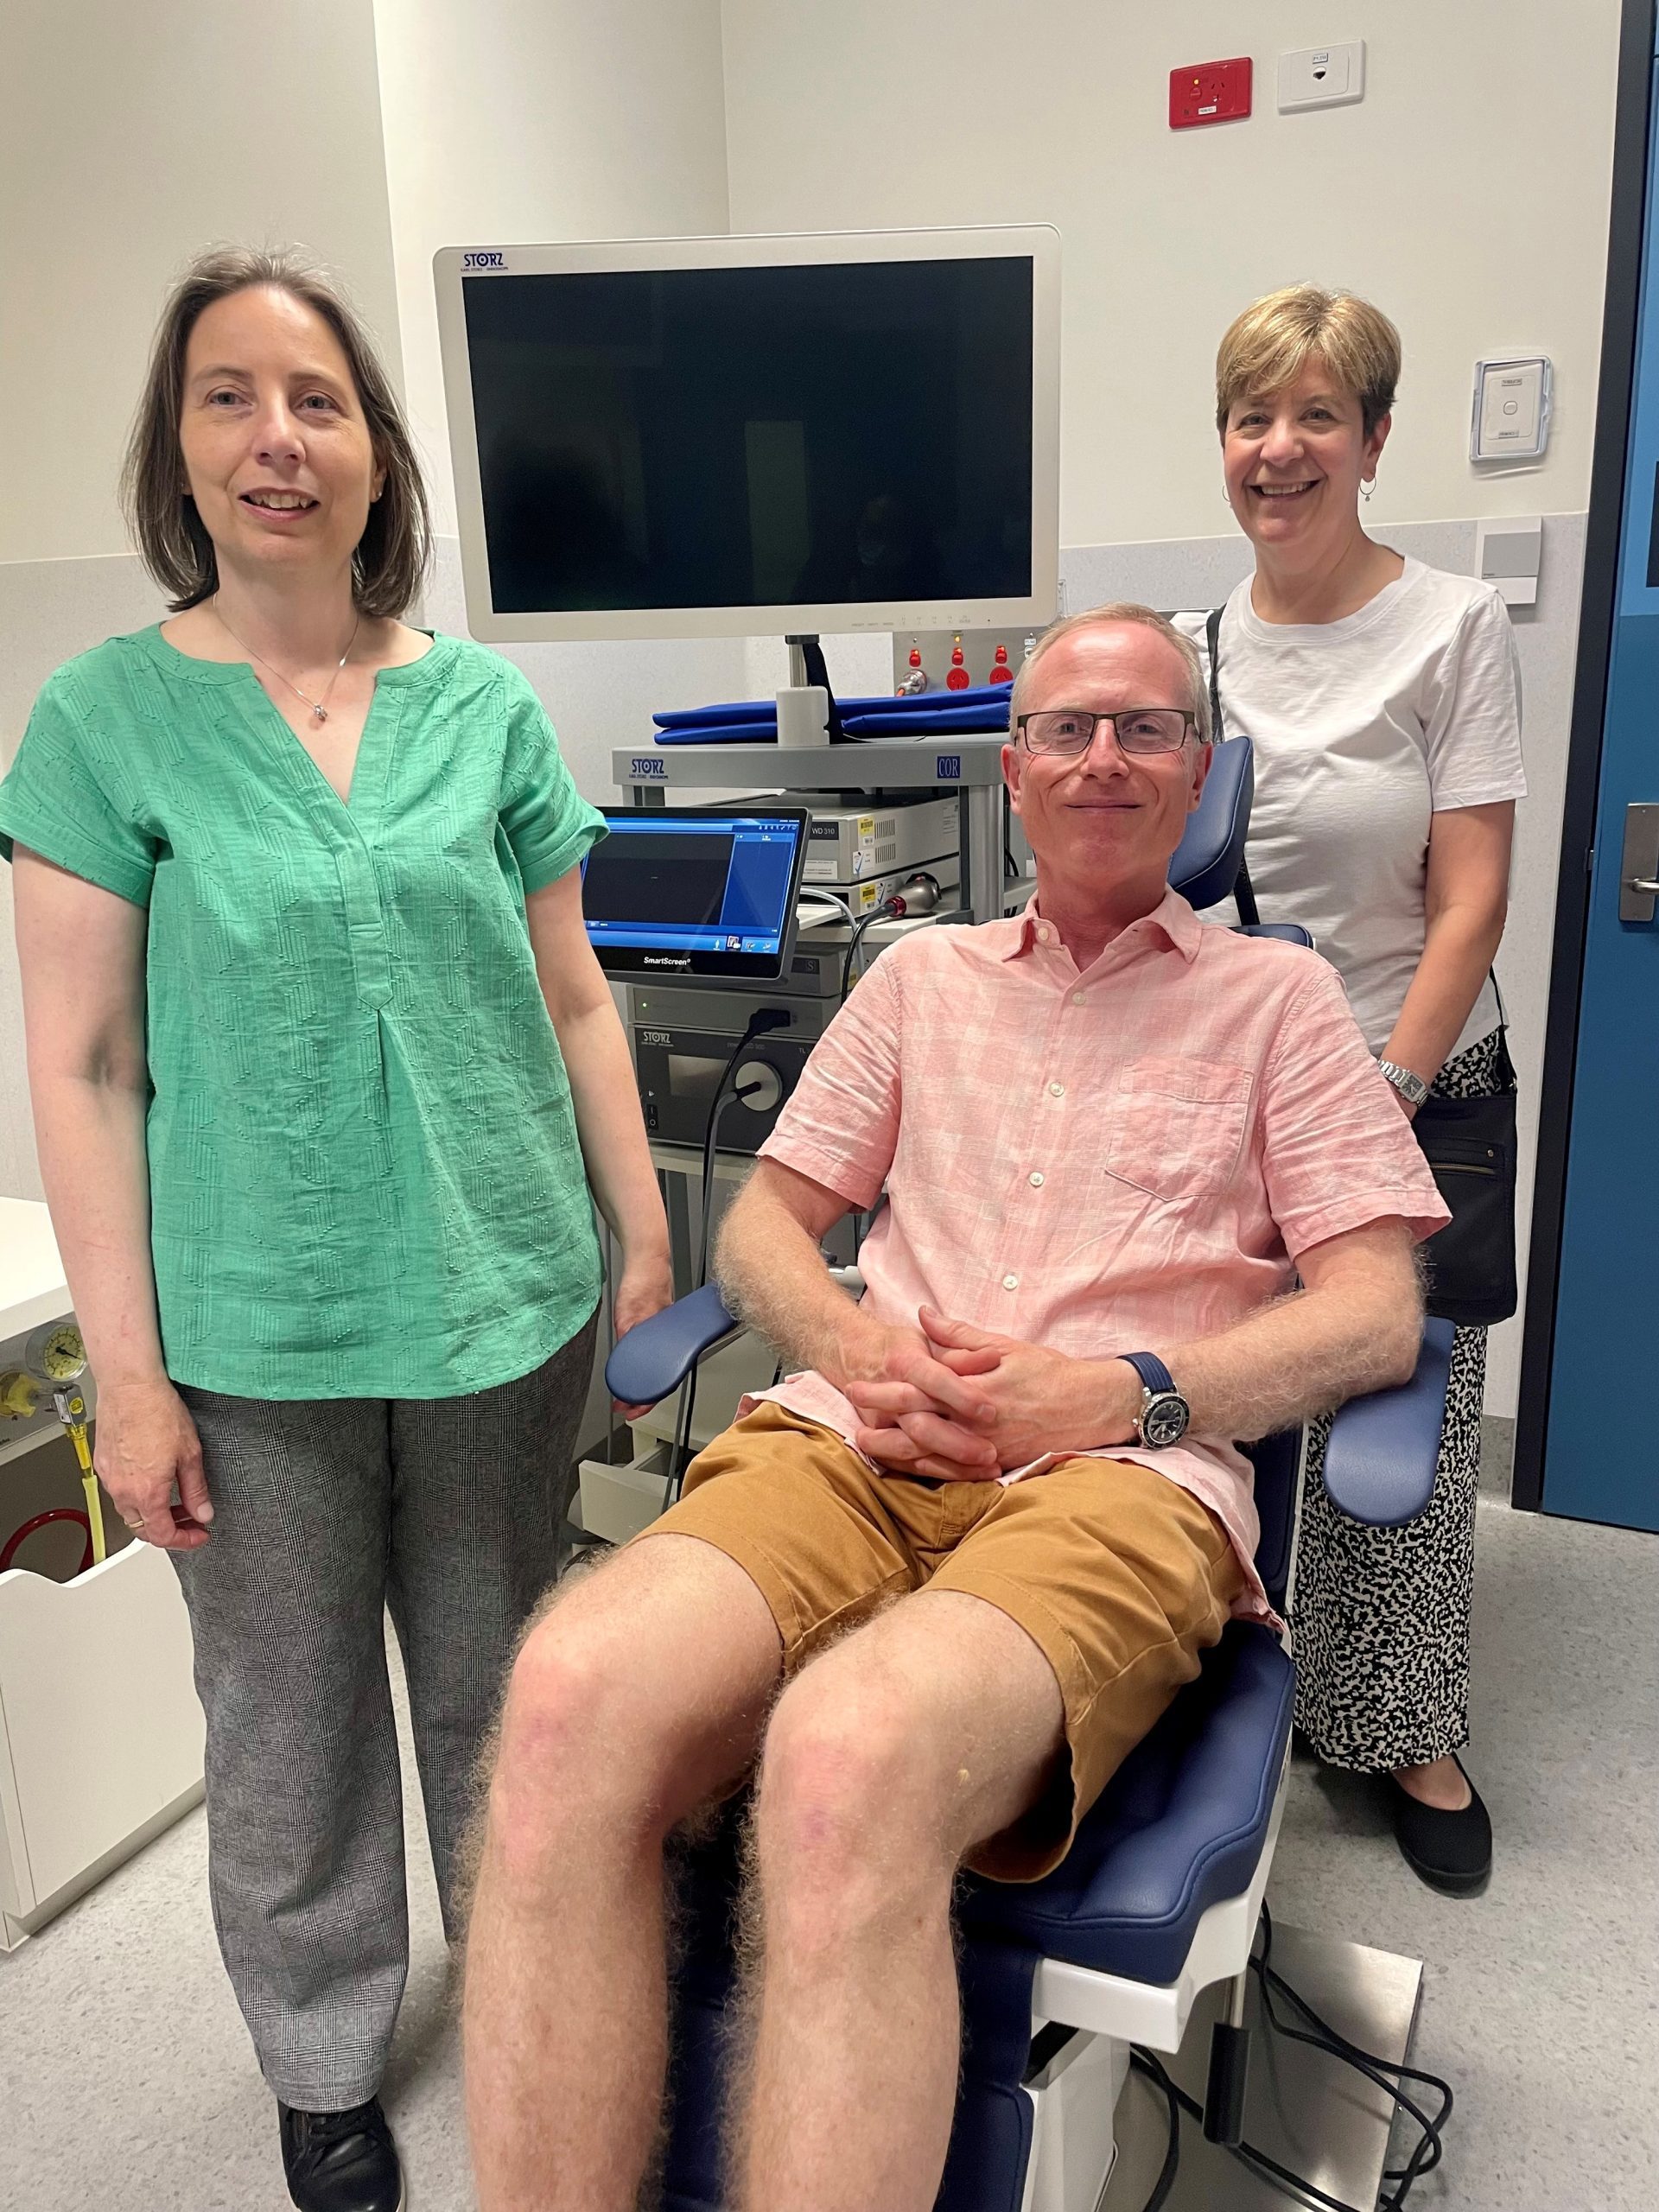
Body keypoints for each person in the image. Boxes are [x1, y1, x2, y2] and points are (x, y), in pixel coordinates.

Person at [459, 603, 1450, 2212]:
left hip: (1118, 1485)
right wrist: (853, 1351)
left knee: (850, 1758)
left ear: (1197, 772)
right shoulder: (920, 981)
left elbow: (1373, 1308)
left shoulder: (1278, 1008)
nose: (1104, 757)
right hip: (861, 1438)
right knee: (563, 1701)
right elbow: (764, 1227)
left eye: (1143, 729)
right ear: (1016, 768)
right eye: (1068, 728)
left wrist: (1129, 1393)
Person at [0, 248, 671, 2212]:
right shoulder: (103, 721)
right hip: (252, 1325)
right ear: (178, 448)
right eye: (227, 396)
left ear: (380, 455)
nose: (275, 438)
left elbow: (571, 997)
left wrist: (635, 1221)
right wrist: (125, 1379)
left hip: (500, 1293)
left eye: (316, 401)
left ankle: (529, 1978)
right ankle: (321, 2056)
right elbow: (90, 1067)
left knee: (501, 1681)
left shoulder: (481, 706)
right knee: (285, 1725)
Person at [1173, 285, 1526, 1896]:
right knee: (1232, 1395)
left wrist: (1378, 1090)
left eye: (1318, 415)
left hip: (1414, 1061)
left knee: (1400, 1413)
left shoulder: (1452, 627)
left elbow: (1471, 897)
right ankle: (1217, 1687)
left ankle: (1403, 1726)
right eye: (1255, 416)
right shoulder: (1196, 649)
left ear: (1375, 439)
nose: (1282, 447)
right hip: (1250, 1077)